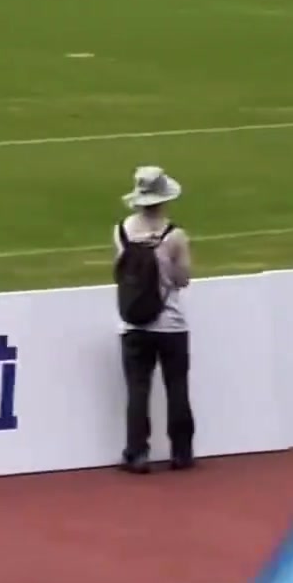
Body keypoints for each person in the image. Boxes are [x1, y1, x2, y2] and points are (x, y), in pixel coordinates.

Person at [114, 167, 194, 473]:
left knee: (138, 389)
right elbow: (183, 278)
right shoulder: (175, 235)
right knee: (177, 386)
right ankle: (181, 452)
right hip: (170, 323)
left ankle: (137, 453)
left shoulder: (122, 230)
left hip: (134, 322)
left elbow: (122, 270)